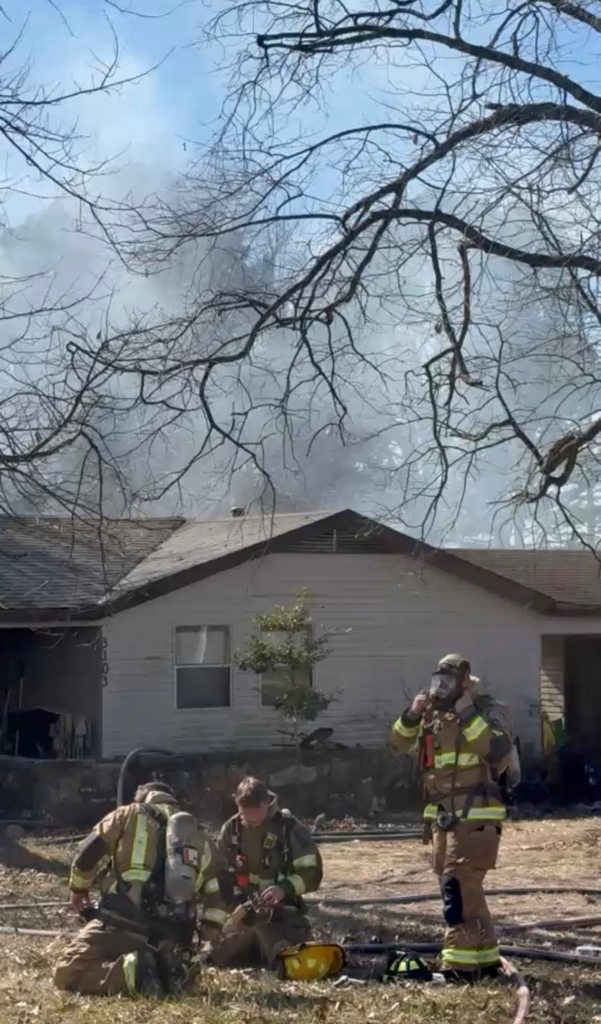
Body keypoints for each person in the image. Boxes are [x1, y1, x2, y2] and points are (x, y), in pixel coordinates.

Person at [388, 654, 513, 981]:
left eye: (450, 680)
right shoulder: (432, 714)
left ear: (465, 681)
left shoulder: (486, 709)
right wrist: (413, 714)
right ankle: (484, 961)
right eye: (439, 679)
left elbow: (495, 750)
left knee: (456, 888)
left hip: (476, 814)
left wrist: (466, 710)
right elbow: (397, 743)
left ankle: (458, 965)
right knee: (467, 888)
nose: (442, 687)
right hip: (442, 816)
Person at [53, 781, 227, 997]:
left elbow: (87, 856)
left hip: (123, 924)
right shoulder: (201, 837)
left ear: (142, 799)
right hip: (173, 936)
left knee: (67, 971)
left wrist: (78, 890)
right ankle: (177, 971)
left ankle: (136, 974)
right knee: (170, 959)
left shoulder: (127, 814)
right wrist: (207, 931)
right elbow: (216, 895)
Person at [210, 776, 323, 969]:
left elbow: (312, 872)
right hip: (245, 912)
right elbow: (218, 870)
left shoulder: (288, 829)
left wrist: (283, 889)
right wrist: (233, 903)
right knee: (216, 956)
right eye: (245, 812)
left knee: (287, 961)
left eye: (256, 812)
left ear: (266, 803)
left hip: (281, 912)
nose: (250, 818)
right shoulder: (232, 829)